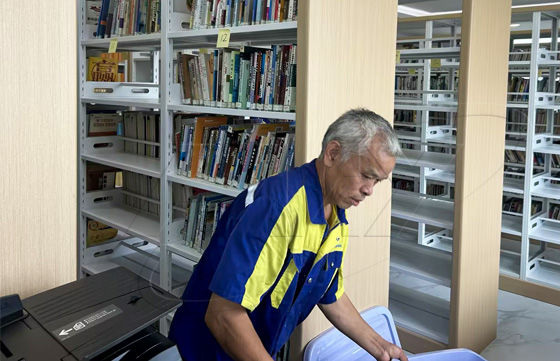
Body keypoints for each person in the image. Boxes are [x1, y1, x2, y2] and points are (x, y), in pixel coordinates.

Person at [169, 108, 407, 361]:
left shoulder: (336, 215)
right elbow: (223, 315)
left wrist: (381, 348)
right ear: (333, 153)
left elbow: (329, 291)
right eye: (366, 176)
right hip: (205, 352)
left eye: (377, 181)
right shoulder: (277, 206)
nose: (369, 190)